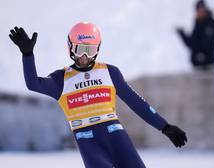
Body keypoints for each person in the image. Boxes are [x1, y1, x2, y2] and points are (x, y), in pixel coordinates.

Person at [9, 22, 187, 168]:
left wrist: (165, 127)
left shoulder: (110, 72)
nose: (84, 56)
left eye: (90, 49)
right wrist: (27, 55)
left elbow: (136, 102)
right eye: (79, 49)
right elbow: (33, 83)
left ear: (98, 49)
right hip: (89, 142)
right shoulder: (61, 79)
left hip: (117, 137)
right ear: (70, 48)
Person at [176, 0, 214, 70]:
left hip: (207, 66)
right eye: (198, 10)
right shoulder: (198, 23)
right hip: (197, 66)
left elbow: (204, 45)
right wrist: (182, 34)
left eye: (201, 9)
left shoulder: (211, 24)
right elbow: (191, 43)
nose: (199, 12)